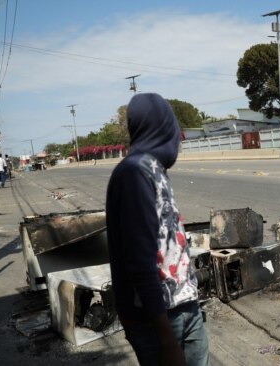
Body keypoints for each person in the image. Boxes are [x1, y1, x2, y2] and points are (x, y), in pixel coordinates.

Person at [106, 93, 210, 366]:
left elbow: (169, 248)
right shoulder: (134, 172)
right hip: (158, 320)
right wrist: (166, 341)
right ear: (163, 128)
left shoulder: (155, 169)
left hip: (185, 307)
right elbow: (140, 262)